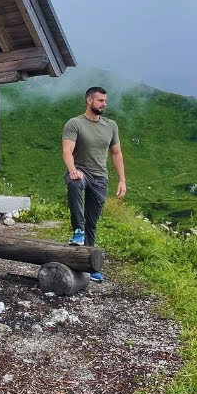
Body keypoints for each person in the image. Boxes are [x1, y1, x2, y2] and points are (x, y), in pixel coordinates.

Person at [62, 86, 126, 281]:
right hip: (81, 171)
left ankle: (89, 266)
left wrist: (122, 180)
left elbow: (116, 153)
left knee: (93, 222)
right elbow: (67, 150)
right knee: (74, 184)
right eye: (100, 101)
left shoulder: (111, 125)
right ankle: (77, 230)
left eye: (105, 101)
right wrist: (72, 169)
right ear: (89, 101)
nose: (104, 104)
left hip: (100, 178)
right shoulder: (74, 123)